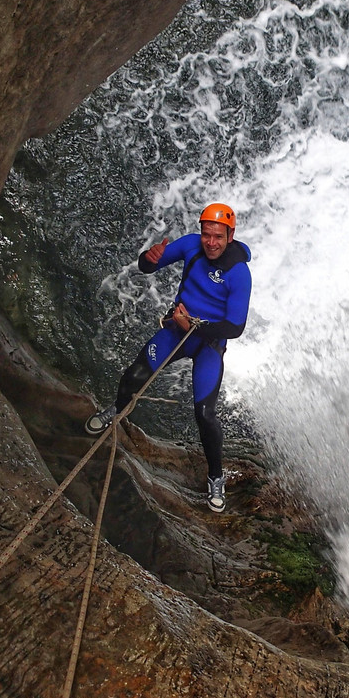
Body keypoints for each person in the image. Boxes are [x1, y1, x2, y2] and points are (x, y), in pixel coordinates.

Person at [85, 203, 252, 513]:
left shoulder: (239, 274)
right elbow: (148, 266)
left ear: (231, 235)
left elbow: (235, 327)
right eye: (206, 235)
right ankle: (118, 412)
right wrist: (147, 259)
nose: (211, 243)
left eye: (218, 237)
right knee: (135, 374)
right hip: (176, 331)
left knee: (205, 414)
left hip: (208, 346)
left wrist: (195, 328)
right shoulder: (191, 246)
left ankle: (215, 477)